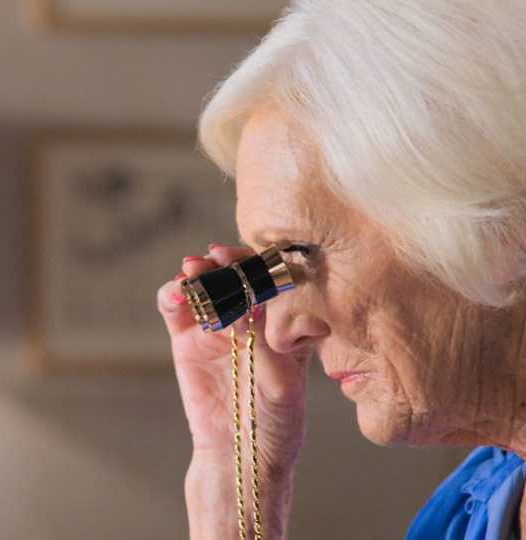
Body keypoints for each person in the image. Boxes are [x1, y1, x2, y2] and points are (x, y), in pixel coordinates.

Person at [156, 1, 526, 538]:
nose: (281, 332)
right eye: (272, 269)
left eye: (302, 252)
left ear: (498, 225)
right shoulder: (472, 511)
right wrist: (234, 477)